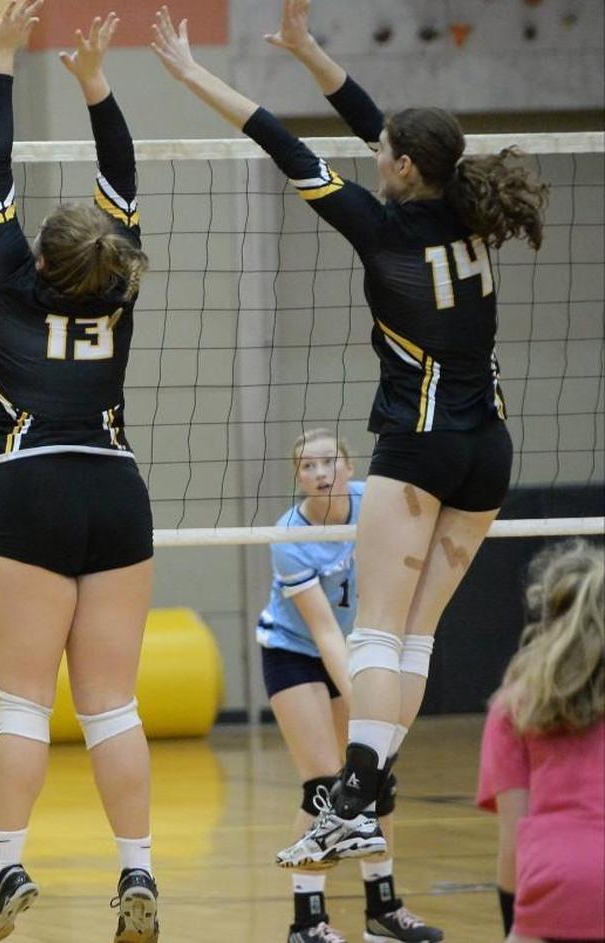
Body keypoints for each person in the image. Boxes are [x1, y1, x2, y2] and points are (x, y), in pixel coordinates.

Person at [150, 0, 547, 869]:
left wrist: (187, 75)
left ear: (404, 168)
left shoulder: (379, 224)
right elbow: (378, 123)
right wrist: (306, 50)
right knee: (415, 637)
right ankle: (362, 796)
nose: (374, 156)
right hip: (490, 450)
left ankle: (356, 795)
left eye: (383, 155)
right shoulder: (466, 203)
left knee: (375, 629)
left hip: (418, 445)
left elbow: (274, 140)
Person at [0, 4, 158, 942]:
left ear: (39, 258)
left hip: (32, 485)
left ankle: (1, 870)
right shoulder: (117, 291)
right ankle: (139, 875)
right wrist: (95, 82)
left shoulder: (4, 278)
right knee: (112, 702)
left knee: (22, 702)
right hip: (118, 487)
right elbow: (121, 180)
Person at [259, 429, 441, 943]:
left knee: (374, 781)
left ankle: (382, 910)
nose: (320, 475)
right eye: (307, 468)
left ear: (349, 465)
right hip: (295, 657)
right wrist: (370, 704)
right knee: (325, 788)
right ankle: (307, 922)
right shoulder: (290, 537)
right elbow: (323, 633)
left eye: (328, 463)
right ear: (298, 478)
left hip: (363, 650)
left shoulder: (373, 506)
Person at [477, 541, 604, 943]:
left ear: (546, 615)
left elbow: (512, 840)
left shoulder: (514, 705)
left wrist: (514, 927)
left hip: (556, 887)